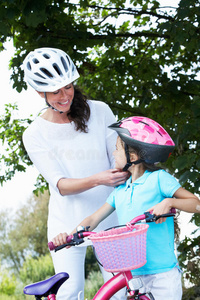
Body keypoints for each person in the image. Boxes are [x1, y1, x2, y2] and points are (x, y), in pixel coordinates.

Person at [52, 116, 200, 300]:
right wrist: (68, 236)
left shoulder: (159, 179)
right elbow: (93, 219)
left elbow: (196, 204)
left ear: (132, 157)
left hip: (163, 274)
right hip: (134, 275)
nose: (113, 154)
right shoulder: (119, 191)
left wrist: (169, 202)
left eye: (117, 149)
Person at [22, 47, 129, 300]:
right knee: (70, 292)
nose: (64, 95)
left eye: (68, 87)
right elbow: (61, 185)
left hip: (110, 215)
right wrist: (100, 178)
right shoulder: (34, 134)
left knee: (119, 293)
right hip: (66, 224)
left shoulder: (100, 111)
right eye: (55, 90)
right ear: (40, 92)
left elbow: (119, 157)